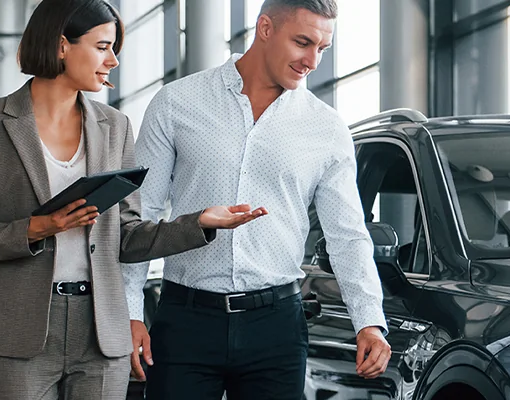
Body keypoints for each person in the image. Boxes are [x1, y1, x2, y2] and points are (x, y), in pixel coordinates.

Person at [0, 0, 264, 398]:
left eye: (115, 49)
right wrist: (40, 227)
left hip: (100, 331)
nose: (112, 60)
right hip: (18, 328)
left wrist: (198, 223)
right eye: (102, 46)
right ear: (62, 45)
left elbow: (126, 236)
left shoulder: (114, 126)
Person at [129, 0, 391, 398]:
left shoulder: (326, 128)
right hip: (185, 320)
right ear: (265, 28)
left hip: (277, 328)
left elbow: (347, 235)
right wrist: (130, 313)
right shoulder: (176, 102)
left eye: (323, 49)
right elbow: (138, 217)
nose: (312, 61)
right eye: (302, 42)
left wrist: (369, 321)